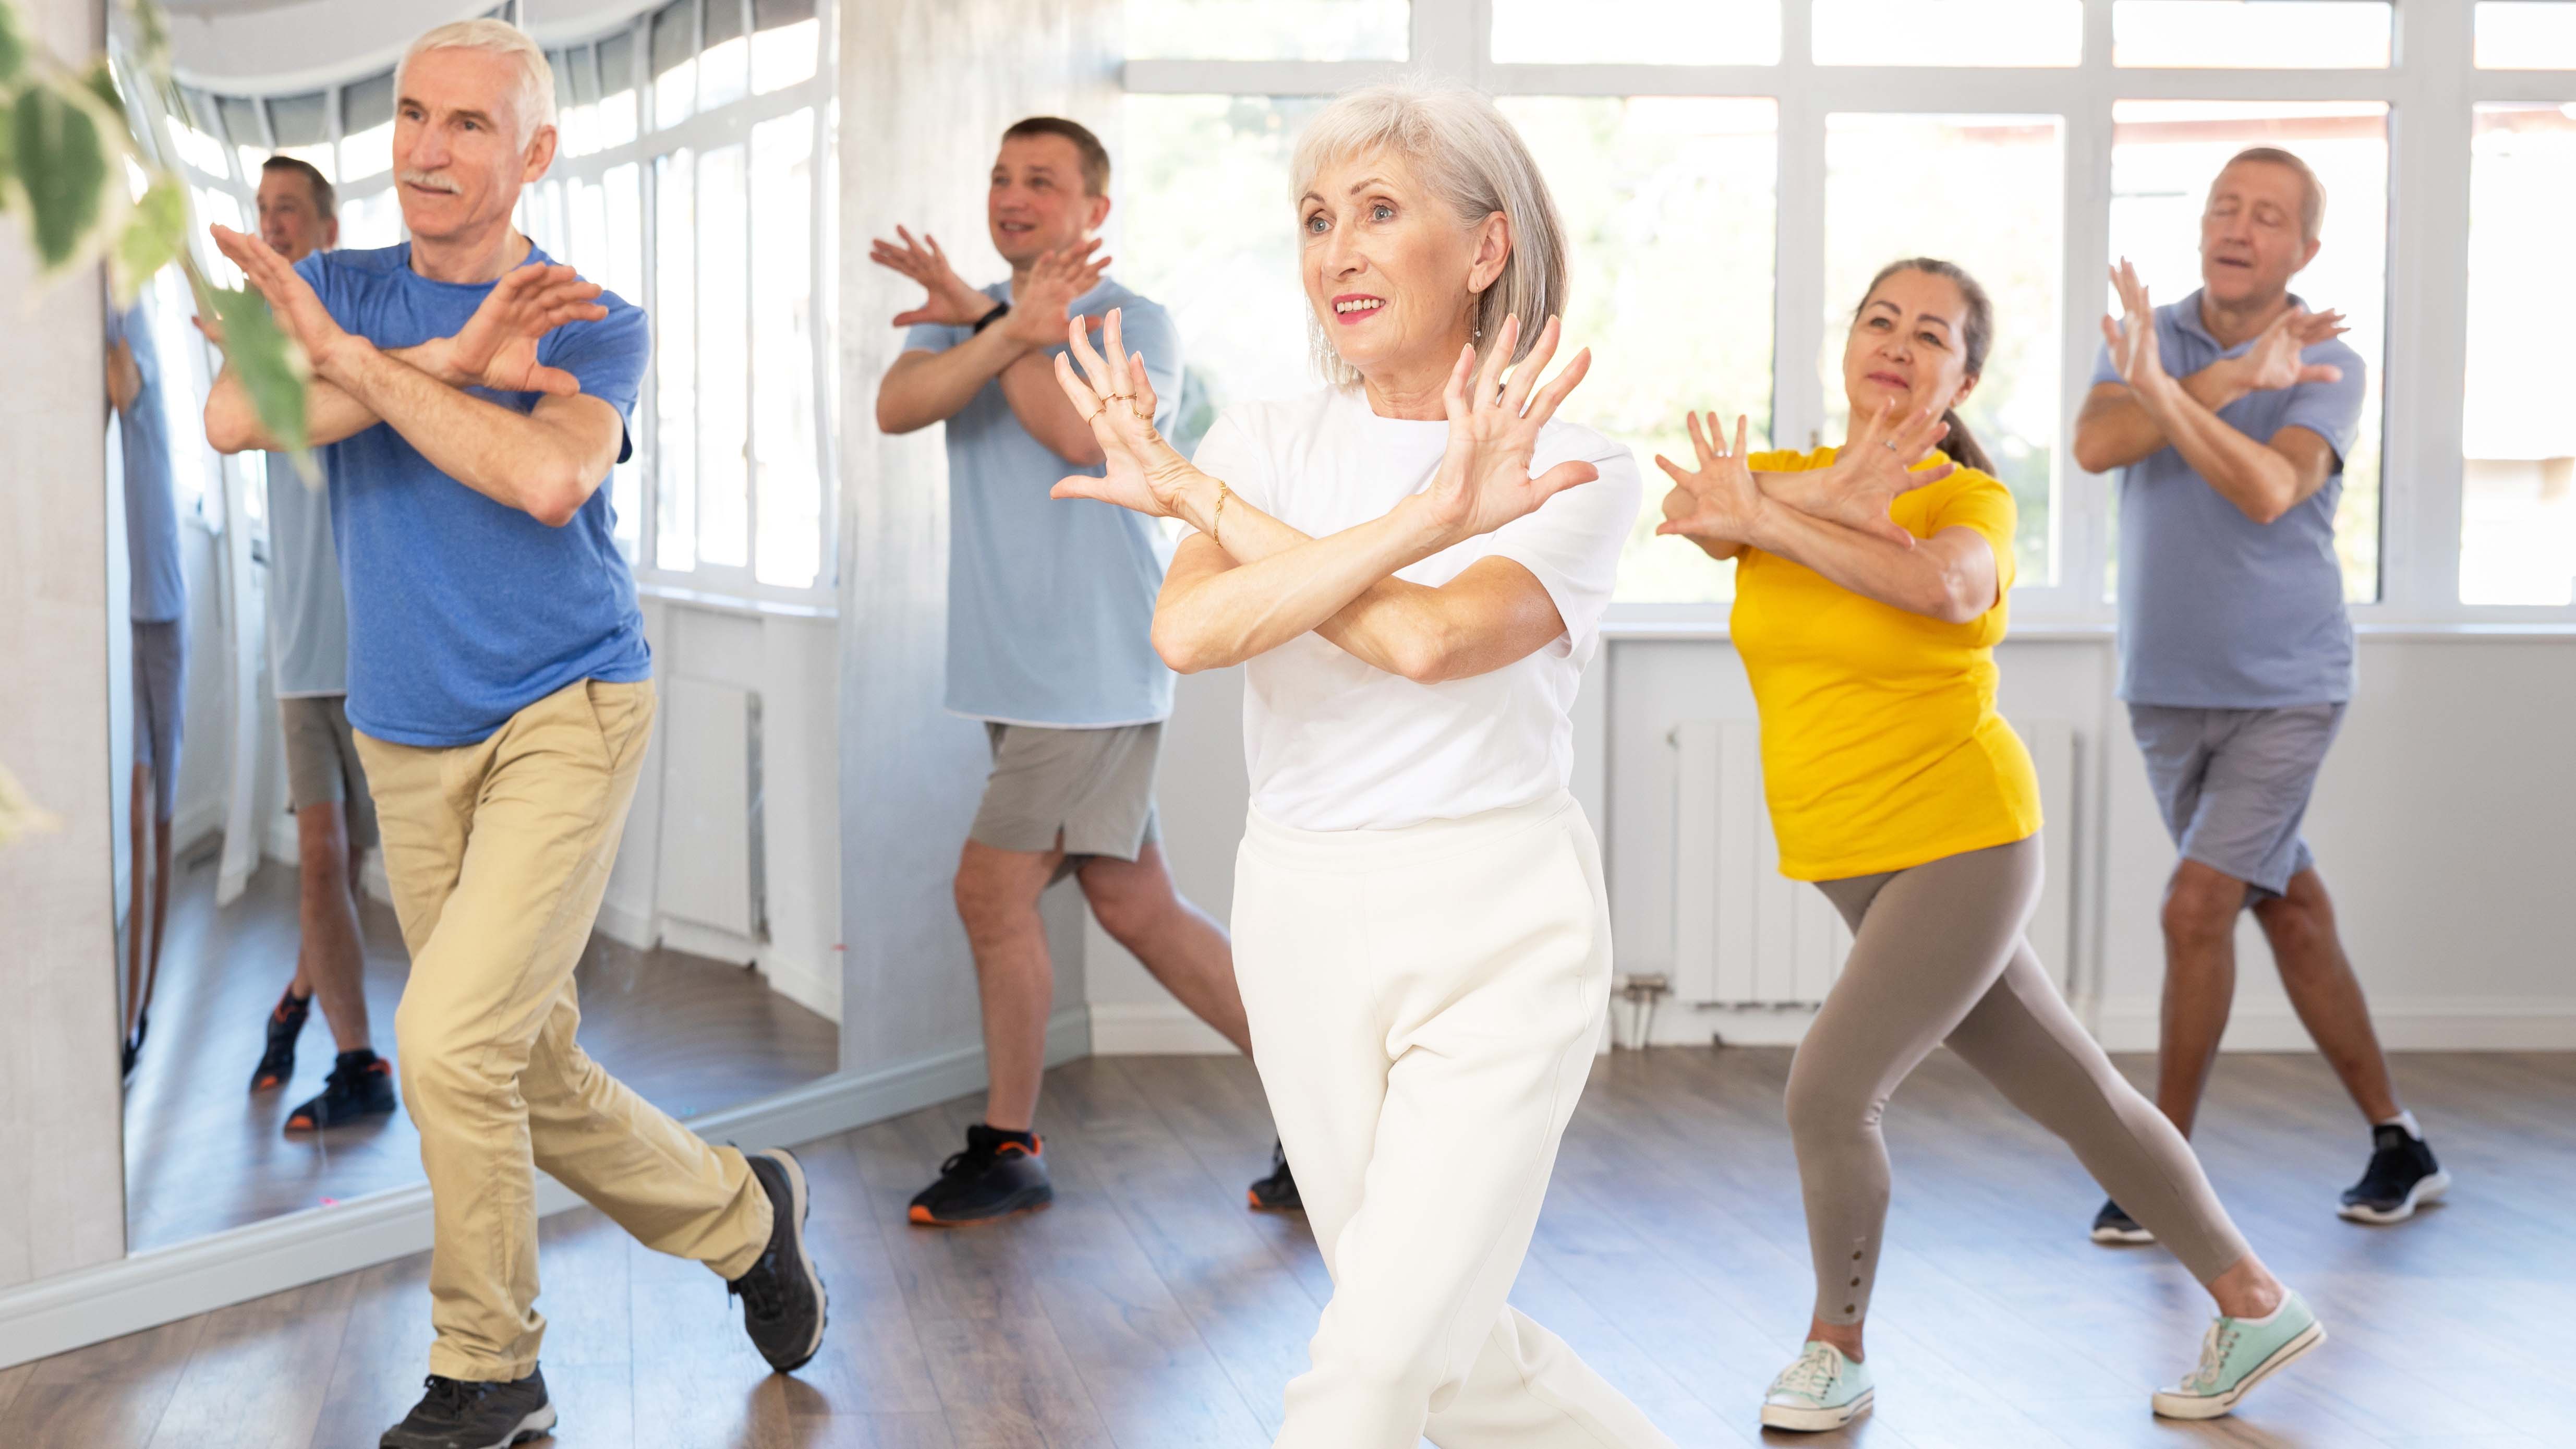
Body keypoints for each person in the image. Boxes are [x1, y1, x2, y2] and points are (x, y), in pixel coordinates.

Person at [200, 21, 823, 1446]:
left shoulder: (589, 315)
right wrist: (443, 354)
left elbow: (544, 479)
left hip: (566, 705)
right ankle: (746, 1216)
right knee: (513, 1066)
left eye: (468, 124)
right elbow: (237, 417)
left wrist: (360, 370)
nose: (427, 148)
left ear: (535, 150)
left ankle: (491, 1368)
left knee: (444, 1043)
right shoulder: (342, 282)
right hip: (406, 733)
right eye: (413, 115)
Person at [1049, 80, 1674, 1448]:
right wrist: (1421, 516)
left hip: (1499, 924)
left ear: (1486, 245)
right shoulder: (1266, 441)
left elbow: (1432, 641)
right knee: (1445, 1348)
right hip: (1301, 916)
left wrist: (1215, 508)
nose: (1337, 249)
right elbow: (1192, 630)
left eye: (1379, 211)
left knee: (1371, 1373)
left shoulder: (1574, 464)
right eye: (1315, 218)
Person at [1658, 259, 2325, 1430]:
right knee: (2080, 1093)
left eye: (1932, 334)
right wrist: (1798, 501)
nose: (1897, 343)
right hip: (1855, 854)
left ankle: (1835, 1349)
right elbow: (1693, 514)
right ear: (1846, 342)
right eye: (1879, 320)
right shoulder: (1785, 476)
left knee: (1829, 1094)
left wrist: (1774, 518)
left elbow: (1946, 593)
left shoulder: (1969, 499)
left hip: (1958, 838)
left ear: (1964, 380)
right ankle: (2253, 1300)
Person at [871, 116, 1295, 1224]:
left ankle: (1008, 1146)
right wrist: (996, 322)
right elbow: (899, 407)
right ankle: (1333, 1112)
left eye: (1042, 180)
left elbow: (1077, 435)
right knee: (1138, 904)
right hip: (1017, 676)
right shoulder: (974, 309)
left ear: (1094, 210)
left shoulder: (1132, 322)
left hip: (1092, 671)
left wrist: (996, 329)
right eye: (1000, 176)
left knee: (988, 891)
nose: (1013, 195)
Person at [2076, 146, 2444, 1237]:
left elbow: (2271, 489)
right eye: (2224, 207)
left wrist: (2167, 395)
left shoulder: (2330, 362)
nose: (2239, 228)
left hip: (2286, 685)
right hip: (2164, 686)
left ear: (2305, 250)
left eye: (2268, 216)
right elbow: (2099, 443)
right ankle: (2400, 1140)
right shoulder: (2151, 335)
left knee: (2195, 909)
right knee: (2290, 909)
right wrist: (2222, 380)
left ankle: (2160, 1171)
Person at [236, 154, 397, 1135]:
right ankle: (357, 1061)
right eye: (263, 209)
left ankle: (298, 997)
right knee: (321, 857)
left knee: (350, 870)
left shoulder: (365, 332)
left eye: (289, 209)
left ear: (328, 229)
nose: (274, 224)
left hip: (381, 651)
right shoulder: (255, 343)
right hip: (303, 655)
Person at [107, 287, 187, 1081]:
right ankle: (126, 1015)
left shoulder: (128, 314)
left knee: (158, 818)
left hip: (159, 608)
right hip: (116, 610)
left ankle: (143, 1010)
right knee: (134, 811)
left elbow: (122, 384)